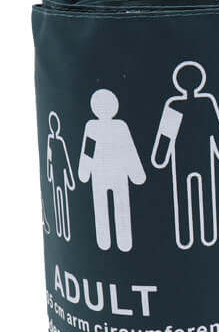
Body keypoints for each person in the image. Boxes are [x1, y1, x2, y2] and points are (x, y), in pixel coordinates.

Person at [151, 61, 219, 249]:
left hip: (183, 159)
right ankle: (207, 234)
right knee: (205, 194)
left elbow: (166, 137)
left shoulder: (177, 105)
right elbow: (216, 130)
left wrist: (161, 157)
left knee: (184, 196)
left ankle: (186, 237)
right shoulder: (204, 102)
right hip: (201, 157)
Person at [78, 89, 146, 252]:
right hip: (108, 174)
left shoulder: (107, 127)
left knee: (113, 206)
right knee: (109, 206)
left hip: (108, 175)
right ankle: (115, 242)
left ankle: (112, 242)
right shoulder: (98, 127)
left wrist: (84, 172)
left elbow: (127, 149)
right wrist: (137, 174)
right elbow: (88, 151)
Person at [47, 111, 74, 240]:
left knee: (62, 200)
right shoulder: (51, 141)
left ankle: (65, 231)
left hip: (60, 175)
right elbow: (49, 159)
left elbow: (66, 161)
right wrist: (49, 174)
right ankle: (61, 230)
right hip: (56, 175)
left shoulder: (59, 142)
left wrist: (69, 179)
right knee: (58, 202)